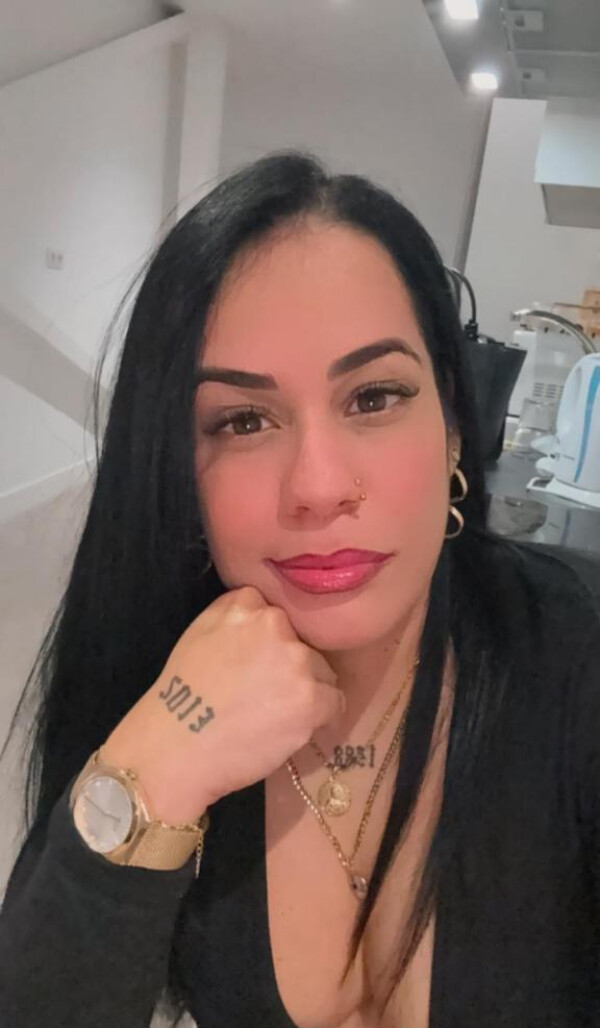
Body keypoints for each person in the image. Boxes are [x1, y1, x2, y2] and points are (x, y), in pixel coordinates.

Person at [0, 150, 599, 1028]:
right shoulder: (158, 660)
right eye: (244, 420)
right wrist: (159, 763)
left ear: (453, 424)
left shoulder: (573, 655)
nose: (318, 487)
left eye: (374, 397)